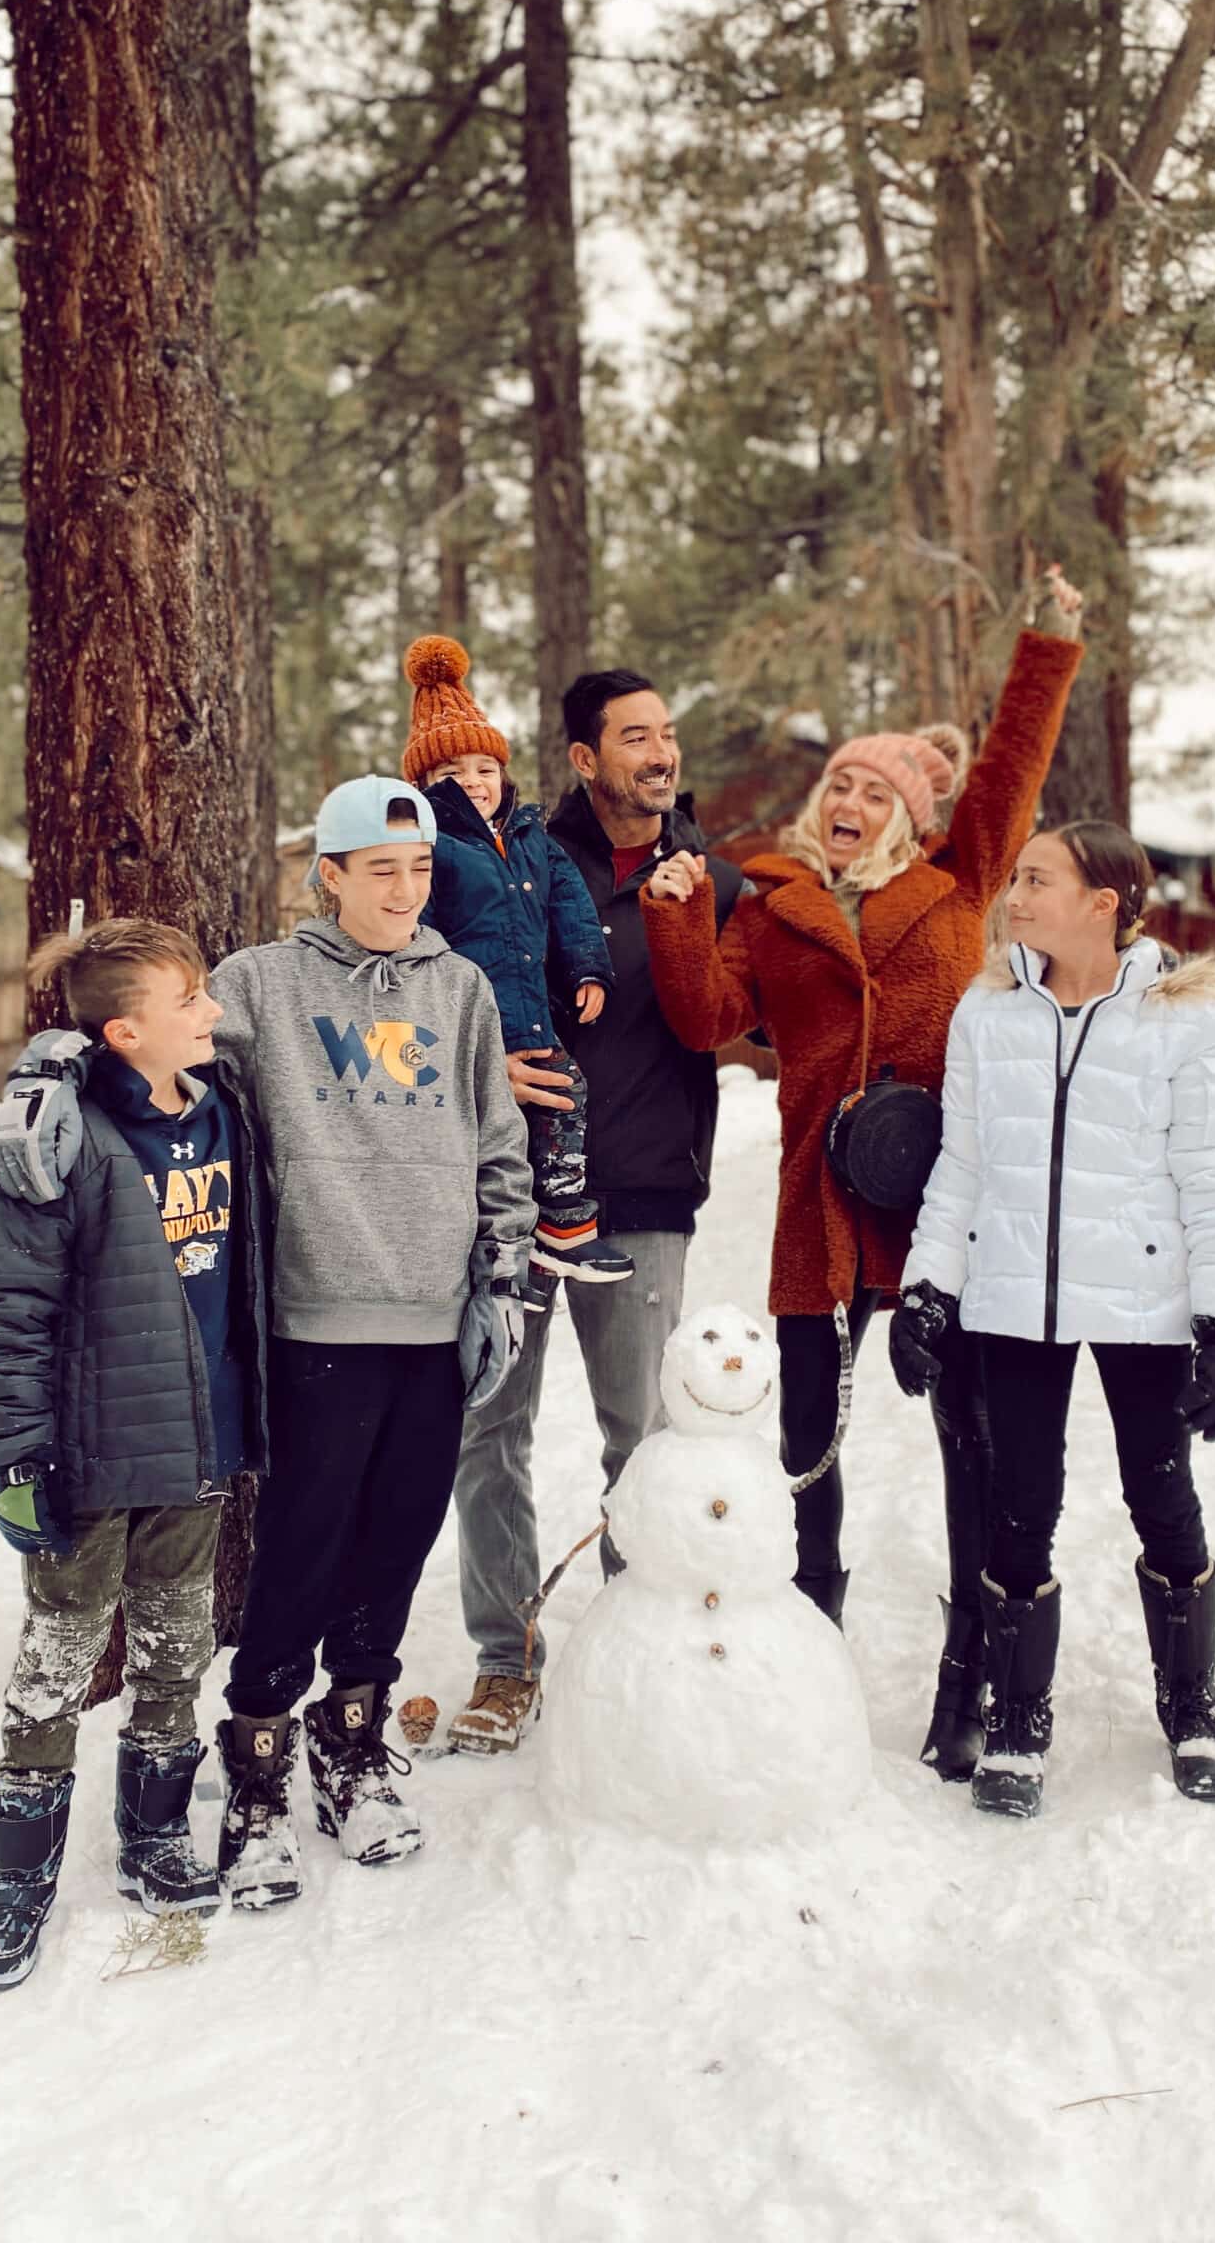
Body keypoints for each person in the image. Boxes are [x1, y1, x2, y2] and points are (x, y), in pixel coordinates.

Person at [640, 575, 1084, 1774]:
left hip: (945, 1197)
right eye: (838, 780)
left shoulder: (961, 877)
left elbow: (1007, 770)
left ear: (906, 811)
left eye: (872, 787)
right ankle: (811, 1652)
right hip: (819, 1198)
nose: (847, 797)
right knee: (807, 1446)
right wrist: (679, 918)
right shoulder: (775, 905)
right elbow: (706, 1019)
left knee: (972, 1442)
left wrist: (1048, 642)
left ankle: (972, 1674)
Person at [891, 822, 1215, 1820]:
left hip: (1145, 1301)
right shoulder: (991, 1011)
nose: (1014, 894)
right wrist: (928, 1289)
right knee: (1020, 1503)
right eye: (1015, 876)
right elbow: (964, 1167)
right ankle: (1018, 1718)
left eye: (1037, 879)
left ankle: (1192, 1703)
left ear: (1103, 902)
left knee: (1163, 1495)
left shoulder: (1186, 1022)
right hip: (1016, 1297)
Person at [202, 776, 538, 1889]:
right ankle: (256, 1770)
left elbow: (499, 1142)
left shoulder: (463, 990)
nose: (405, 889)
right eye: (380, 868)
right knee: (301, 1547)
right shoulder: (261, 983)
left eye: (420, 868)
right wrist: (61, 1071)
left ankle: (351, 1742)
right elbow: (161, 1061)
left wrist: (498, 1279)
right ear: (329, 873)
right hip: (318, 1318)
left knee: (396, 1541)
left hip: (435, 1320)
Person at [0, 918, 268, 1991]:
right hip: (90, 1458)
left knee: (177, 1648)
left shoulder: (221, 1112)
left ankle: (154, 1835)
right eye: (193, 1002)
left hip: (198, 1446)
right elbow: (10, 1303)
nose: (214, 1014)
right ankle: (19, 1873)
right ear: (128, 1029)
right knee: (56, 1661)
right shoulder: (62, 1140)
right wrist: (18, 1454)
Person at [445, 667, 747, 1754]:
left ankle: (638, 1641)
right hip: (510, 1196)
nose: (660, 754)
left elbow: (745, 1011)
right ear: (584, 759)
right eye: (635, 738)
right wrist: (483, 1077)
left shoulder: (713, 877)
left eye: (668, 734)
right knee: (491, 1432)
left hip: (647, 1191)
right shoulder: (518, 861)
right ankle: (503, 1655)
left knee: (645, 1438)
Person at [400, 633, 632, 1304]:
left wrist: (589, 970)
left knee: (562, 1101)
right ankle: (514, 1252)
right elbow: (421, 935)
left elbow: (572, 908)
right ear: (422, 788)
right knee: (493, 1144)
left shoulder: (535, 839)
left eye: (483, 767)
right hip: (473, 1027)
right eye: (451, 775)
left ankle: (559, 1228)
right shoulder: (432, 848)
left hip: (535, 1015)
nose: (472, 782)